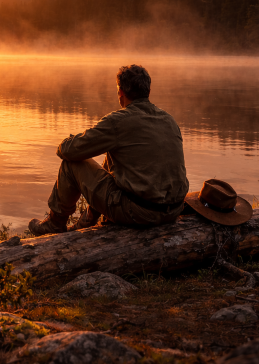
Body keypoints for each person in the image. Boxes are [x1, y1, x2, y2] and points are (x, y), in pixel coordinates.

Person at [29, 64, 189, 236]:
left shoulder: (118, 122)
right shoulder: (169, 120)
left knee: (71, 164)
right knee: (114, 154)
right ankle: (87, 220)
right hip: (172, 211)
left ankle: (54, 224)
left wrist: (66, 141)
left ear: (120, 92)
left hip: (139, 214)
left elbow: (69, 151)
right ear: (148, 92)